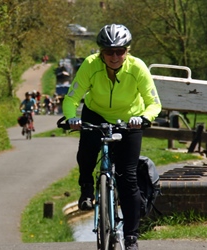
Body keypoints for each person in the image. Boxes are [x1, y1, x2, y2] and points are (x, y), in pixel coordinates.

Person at [62, 24, 162, 250]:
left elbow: (153, 102)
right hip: (95, 114)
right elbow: (71, 98)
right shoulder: (90, 65)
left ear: (127, 51)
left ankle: (131, 237)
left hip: (129, 120)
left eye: (120, 51)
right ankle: (87, 188)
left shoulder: (137, 68)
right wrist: (71, 118)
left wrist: (144, 117)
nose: (115, 56)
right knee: (87, 151)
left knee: (127, 178)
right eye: (109, 52)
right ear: (101, 52)